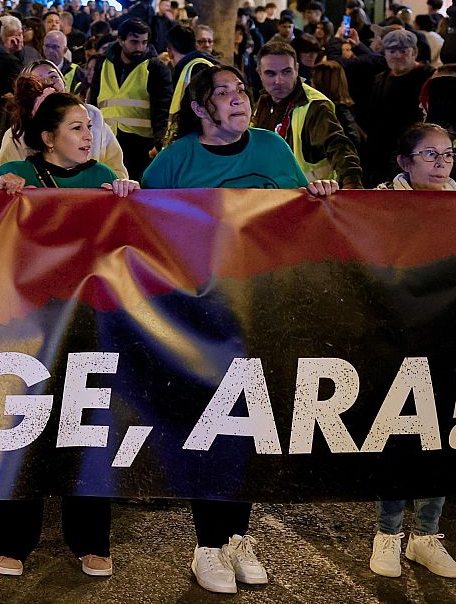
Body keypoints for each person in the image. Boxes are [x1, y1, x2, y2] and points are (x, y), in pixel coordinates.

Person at [142, 65, 339, 595]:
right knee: (208, 427)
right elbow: (137, 225)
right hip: (199, 319)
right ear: (200, 108)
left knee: (248, 427)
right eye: (222, 94)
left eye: (240, 92)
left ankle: (237, 539)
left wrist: (317, 193)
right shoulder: (176, 160)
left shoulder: (273, 151)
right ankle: (207, 545)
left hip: (262, 313)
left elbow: (302, 220)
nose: (237, 100)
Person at [0, 80, 137, 579]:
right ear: (48, 138)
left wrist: (129, 199)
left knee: (86, 431)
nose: (88, 135)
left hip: (87, 325)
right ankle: (10, 540)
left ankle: (91, 540)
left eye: (89, 127)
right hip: (23, 327)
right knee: (18, 431)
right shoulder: (15, 174)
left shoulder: (103, 178)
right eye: (75, 127)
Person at [367, 122, 456, 579]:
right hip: (397, 337)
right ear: (404, 162)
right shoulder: (378, 204)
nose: (442, 163)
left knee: (443, 432)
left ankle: (426, 535)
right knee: (399, 435)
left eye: (447, 154)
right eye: (430, 155)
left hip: (450, 335)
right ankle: (387, 535)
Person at [252, 40, 362, 187]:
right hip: (270, 194)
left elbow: (339, 147)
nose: (279, 81)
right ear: (259, 73)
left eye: (286, 72)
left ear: (296, 69)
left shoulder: (315, 105)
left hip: (311, 198)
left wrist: (352, 184)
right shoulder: (262, 102)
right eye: (270, 73)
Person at [0, 62, 127, 179]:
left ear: (64, 81)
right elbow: (2, 183)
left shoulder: (95, 118)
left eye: (53, 77)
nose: (49, 83)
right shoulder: (16, 135)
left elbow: (118, 173)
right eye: (38, 80)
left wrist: (114, 186)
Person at [90, 19, 172, 177]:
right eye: (134, 42)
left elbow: (162, 109)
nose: (140, 48)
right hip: (106, 140)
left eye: (144, 42)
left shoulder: (155, 68)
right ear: (120, 40)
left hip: (141, 146)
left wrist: (159, 143)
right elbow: (94, 102)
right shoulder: (103, 64)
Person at [362, 28, 434, 185]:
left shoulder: (428, 77)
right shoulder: (380, 80)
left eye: (403, 51)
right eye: (392, 51)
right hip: (383, 158)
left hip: (415, 155)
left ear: (414, 51)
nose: (397, 56)